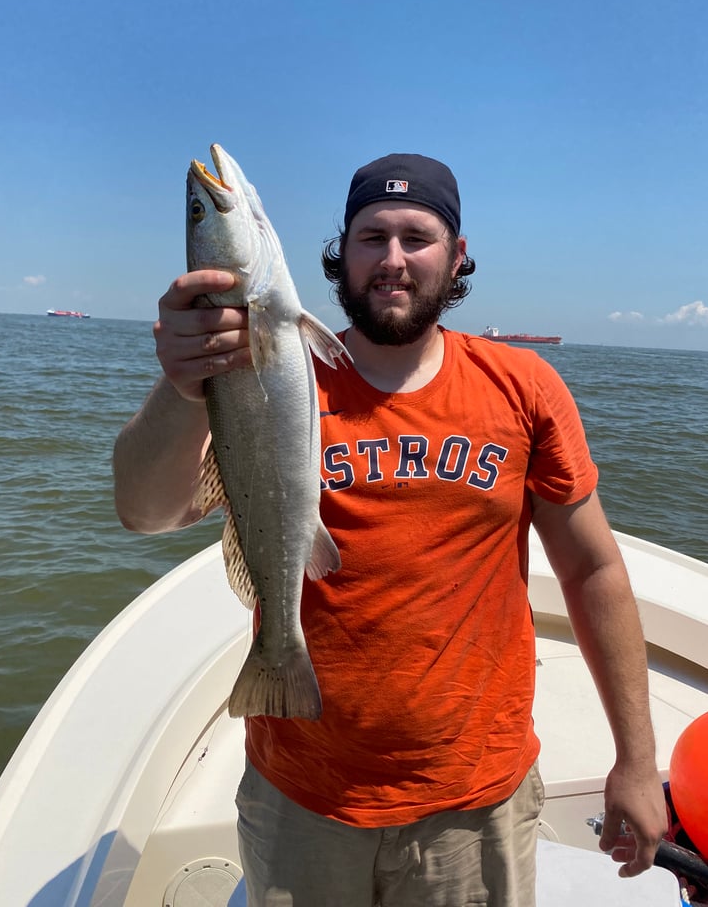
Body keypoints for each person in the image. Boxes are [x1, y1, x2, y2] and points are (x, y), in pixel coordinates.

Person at [113, 153, 667, 906]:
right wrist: (183, 390)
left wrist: (637, 758)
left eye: (418, 237)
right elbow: (145, 512)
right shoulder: (263, 370)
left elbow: (593, 571)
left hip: (476, 803)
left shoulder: (525, 387)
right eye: (373, 236)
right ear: (342, 250)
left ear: (457, 255)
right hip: (301, 798)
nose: (394, 260)